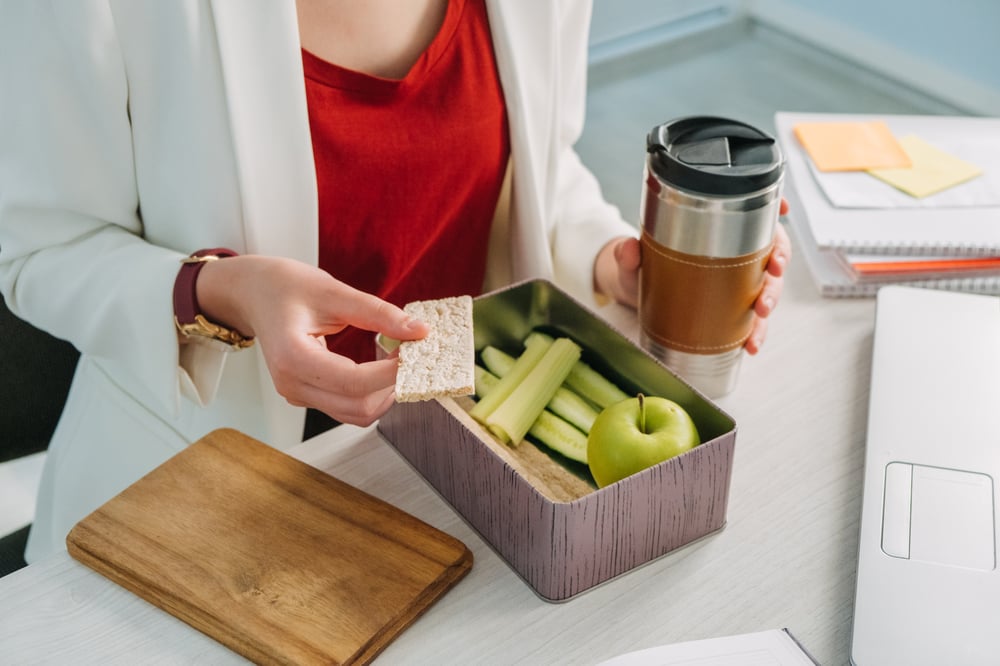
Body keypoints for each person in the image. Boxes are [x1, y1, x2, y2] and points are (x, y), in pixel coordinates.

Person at [0, 0, 791, 564]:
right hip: (205, 499)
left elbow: (539, 163)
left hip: (458, 481)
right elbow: (39, 249)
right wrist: (222, 292)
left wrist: (605, 257)